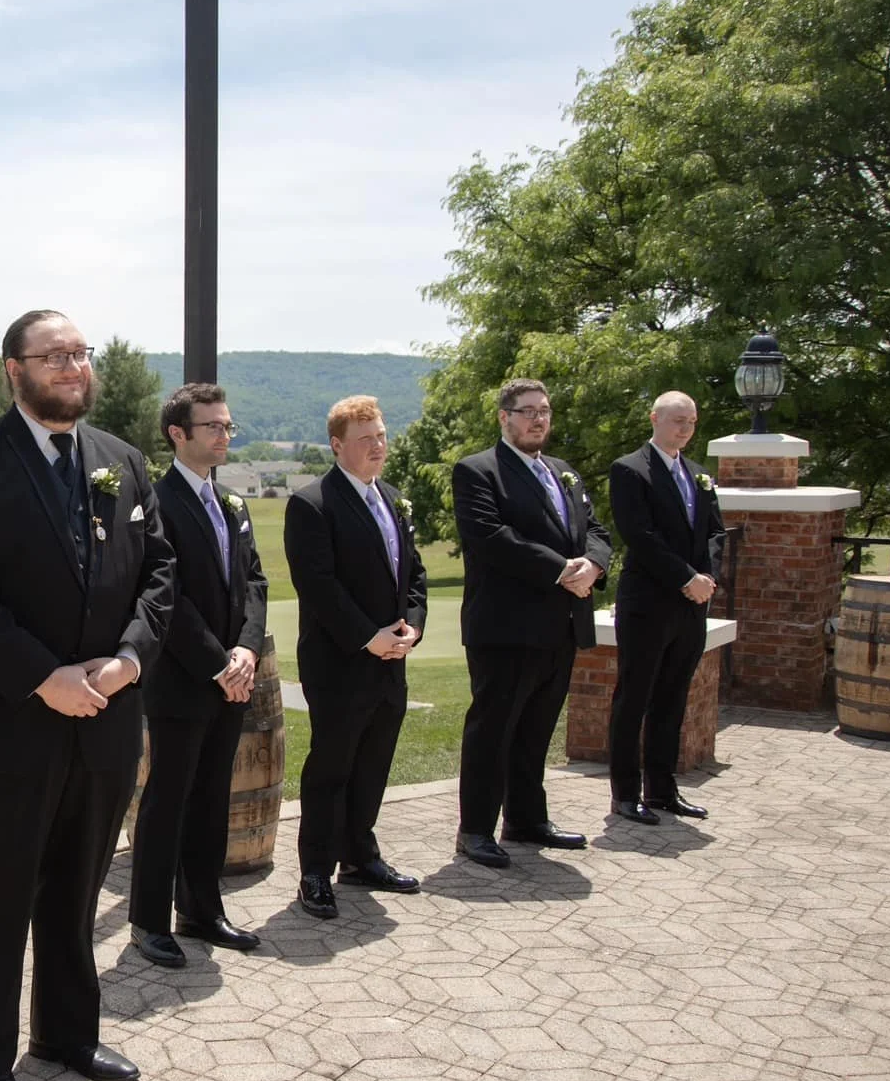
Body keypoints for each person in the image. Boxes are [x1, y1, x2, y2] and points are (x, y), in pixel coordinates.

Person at [0, 310, 175, 1081]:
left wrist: (130, 658)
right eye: (54, 355)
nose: (73, 366)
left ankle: (66, 1035)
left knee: (76, 892)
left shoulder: (124, 462)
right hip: (7, 725)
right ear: (13, 370)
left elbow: (162, 574)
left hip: (106, 717)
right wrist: (43, 678)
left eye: (80, 353)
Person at [128, 383, 267, 968]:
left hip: (232, 677)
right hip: (183, 681)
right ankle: (148, 921)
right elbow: (167, 598)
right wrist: (217, 663)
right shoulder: (154, 505)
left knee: (215, 795)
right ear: (177, 434)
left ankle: (202, 911)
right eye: (211, 426)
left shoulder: (232, 504)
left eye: (228, 426)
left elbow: (255, 583)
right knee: (169, 799)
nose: (222, 436)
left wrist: (246, 650)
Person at [450, 379, 611, 868]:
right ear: (503, 417)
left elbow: (596, 531)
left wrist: (594, 565)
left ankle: (525, 819)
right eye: (526, 412)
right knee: (493, 731)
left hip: (561, 624)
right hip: (506, 627)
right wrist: (561, 569)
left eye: (544, 411)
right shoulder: (479, 472)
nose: (537, 419)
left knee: (536, 728)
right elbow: (491, 538)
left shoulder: (564, 474)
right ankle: (475, 829)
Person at [284, 396, 429, 914]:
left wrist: (412, 627)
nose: (379, 447)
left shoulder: (392, 498)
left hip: (392, 661)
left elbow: (414, 575)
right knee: (332, 767)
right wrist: (370, 637)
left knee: (373, 763)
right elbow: (319, 586)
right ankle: (315, 872)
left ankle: (360, 856)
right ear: (338, 444)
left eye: (383, 436)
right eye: (366, 439)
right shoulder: (312, 503)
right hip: (340, 663)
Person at [606, 391, 724, 823]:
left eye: (691, 422)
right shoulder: (630, 469)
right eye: (677, 420)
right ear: (655, 418)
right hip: (648, 603)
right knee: (634, 697)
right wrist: (684, 578)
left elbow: (715, 533)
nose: (685, 429)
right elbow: (639, 534)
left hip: (692, 606)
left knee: (673, 698)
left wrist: (708, 578)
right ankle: (624, 794)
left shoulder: (698, 475)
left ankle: (662, 789)